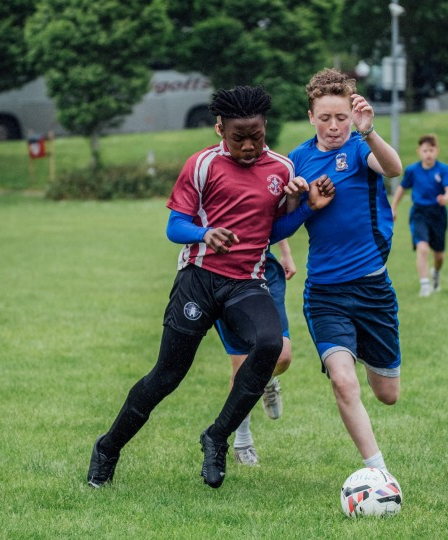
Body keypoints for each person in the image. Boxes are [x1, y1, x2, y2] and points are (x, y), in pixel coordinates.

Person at [87, 86, 333, 490]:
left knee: (270, 345)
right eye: (239, 138)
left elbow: (271, 231)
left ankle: (216, 436)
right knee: (167, 376)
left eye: (257, 135)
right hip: (197, 282)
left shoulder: (282, 169)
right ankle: (108, 448)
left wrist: (307, 208)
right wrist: (205, 233)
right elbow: (174, 227)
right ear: (220, 129)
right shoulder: (201, 166)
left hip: (246, 284)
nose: (250, 145)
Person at [272, 68, 403, 477]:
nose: (333, 127)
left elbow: (394, 169)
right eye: (325, 118)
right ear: (311, 116)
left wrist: (369, 132)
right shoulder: (297, 160)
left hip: (373, 290)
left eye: (341, 118)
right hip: (325, 293)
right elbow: (279, 223)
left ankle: (367, 350)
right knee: (344, 381)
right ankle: (378, 472)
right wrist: (301, 204)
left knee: (387, 395)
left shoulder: (362, 148)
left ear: (353, 115)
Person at [215, 239, 294, 466]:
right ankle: (243, 442)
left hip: (263, 268)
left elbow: (267, 208)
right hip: (224, 270)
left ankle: (265, 378)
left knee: (282, 356)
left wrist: (285, 251)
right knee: (241, 365)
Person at [391, 134, 448, 297]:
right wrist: (394, 208)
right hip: (419, 213)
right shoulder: (412, 170)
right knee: (422, 248)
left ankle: (436, 273)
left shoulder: (444, 169)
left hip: (438, 214)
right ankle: (425, 285)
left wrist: (445, 198)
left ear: (437, 151)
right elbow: (401, 189)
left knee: (439, 255)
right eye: (425, 150)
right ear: (419, 151)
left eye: (431, 150)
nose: (428, 154)